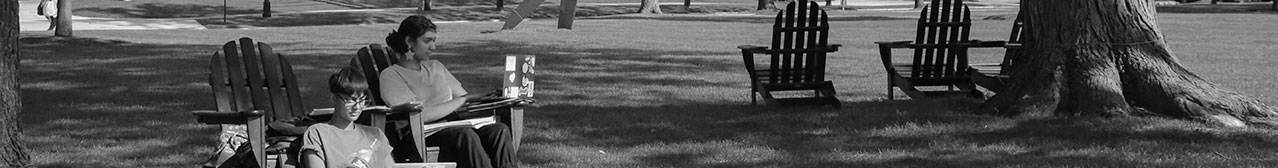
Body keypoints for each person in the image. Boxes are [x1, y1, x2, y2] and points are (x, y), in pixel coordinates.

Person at [379, 15, 517, 168]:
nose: (433, 47)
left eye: (434, 41)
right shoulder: (391, 76)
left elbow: (462, 97)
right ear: (409, 41)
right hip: (421, 135)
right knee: (465, 135)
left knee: (499, 130)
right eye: (427, 41)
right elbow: (422, 115)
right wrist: (463, 100)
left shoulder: (436, 67)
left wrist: (489, 97)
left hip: (453, 126)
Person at [301, 68, 396, 168]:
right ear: (334, 98)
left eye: (362, 100)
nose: (357, 107)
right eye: (350, 100)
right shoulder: (318, 133)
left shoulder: (376, 135)